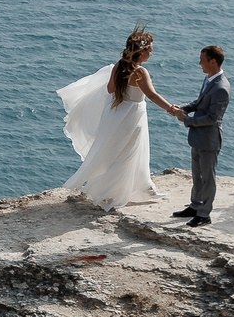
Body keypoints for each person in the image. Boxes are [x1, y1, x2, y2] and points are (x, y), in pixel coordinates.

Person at [57, 27, 180, 209]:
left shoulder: (120, 65)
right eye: (150, 50)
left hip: (115, 113)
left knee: (118, 152)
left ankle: (143, 186)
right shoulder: (140, 72)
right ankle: (113, 192)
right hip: (132, 115)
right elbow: (152, 95)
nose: (152, 53)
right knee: (131, 152)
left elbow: (110, 89)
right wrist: (171, 108)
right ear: (141, 51)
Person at [164, 45, 231, 226]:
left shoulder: (221, 88)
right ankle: (195, 206)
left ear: (213, 62)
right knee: (197, 175)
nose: (199, 63)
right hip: (198, 137)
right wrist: (184, 108)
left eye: (202, 60)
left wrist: (186, 120)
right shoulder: (209, 79)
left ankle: (204, 214)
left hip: (209, 139)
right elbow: (199, 103)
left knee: (208, 178)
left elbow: (212, 117)